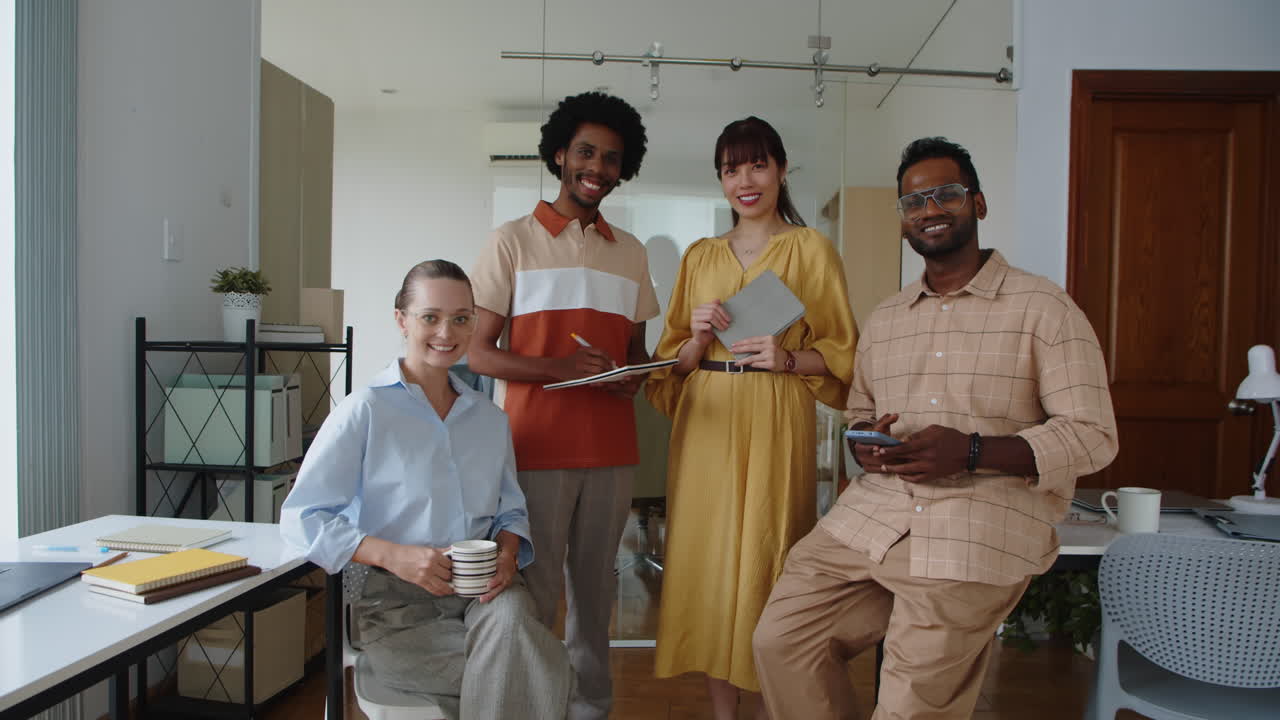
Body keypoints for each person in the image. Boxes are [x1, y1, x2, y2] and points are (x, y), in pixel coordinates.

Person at [752, 137, 1119, 719]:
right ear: (903, 222)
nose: (929, 209)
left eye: (945, 194)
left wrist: (973, 451)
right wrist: (867, 443)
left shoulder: (1044, 309)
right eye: (913, 201)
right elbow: (859, 414)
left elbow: (1093, 435)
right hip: (874, 519)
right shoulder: (886, 319)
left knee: (908, 704)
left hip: (976, 529)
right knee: (781, 642)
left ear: (977, 203)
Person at [280, 260, 573, 720]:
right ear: (401, 320)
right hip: (395, 606)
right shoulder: (365, 411)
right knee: (542, 665)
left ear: (475, 322)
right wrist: (393, 555)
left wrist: (509, 552)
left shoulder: (489, 420)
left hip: (486, 594)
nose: (446, 331)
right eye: (430, 317)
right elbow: (302, 518)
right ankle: (540, 677)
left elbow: (510, 511)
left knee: (514, 626)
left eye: (461, 318)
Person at [645, 116, 858, 720]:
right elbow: (672, 363)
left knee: (770, 558)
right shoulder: (700, 256)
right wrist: (698, 337)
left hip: (774, 410)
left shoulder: (811, 250)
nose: (745, 180)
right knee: (706, 562)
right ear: (719, 179)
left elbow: (843, 351)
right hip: (708, 418)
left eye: (757, 164)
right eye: (731, 168)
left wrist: (788, 356)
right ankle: (723, 714)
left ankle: (772, 709)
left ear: (782, 169)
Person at [468, 91, 659, 720]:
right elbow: (476, 353)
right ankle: (536, 704)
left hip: (611, 448)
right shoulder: (510, 242)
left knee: (597, 592)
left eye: (611, 158)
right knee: (538, 589)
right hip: (535, 447)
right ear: (558, 154)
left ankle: (591, 706)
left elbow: (635, 347)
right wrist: (558, 369)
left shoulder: (630, 251)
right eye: (586, 152)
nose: (597, 167)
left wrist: (631, 375)